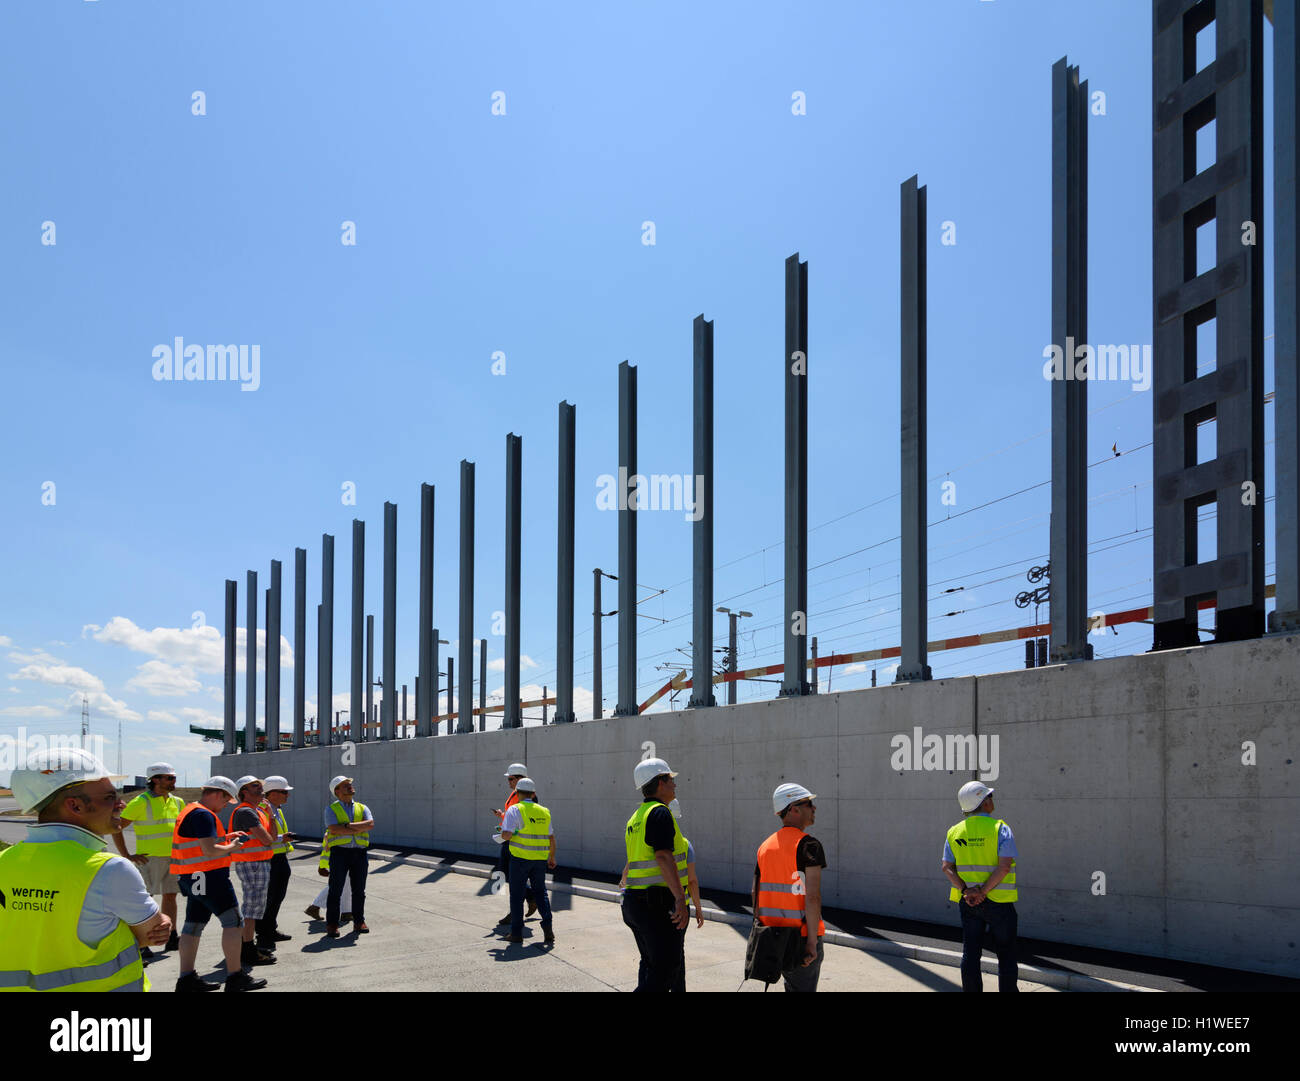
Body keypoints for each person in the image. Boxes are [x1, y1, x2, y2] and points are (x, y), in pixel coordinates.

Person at [1, 747, 170, 992]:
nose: (122, 805)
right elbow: (152, 935)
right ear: (75, 806)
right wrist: (158, 921)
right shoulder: (109, 870)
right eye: (110, 797)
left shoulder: (3, 861)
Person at [170, 776, 266, 991]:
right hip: (210, 875)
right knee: (233, 922)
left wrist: (226, 837)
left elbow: (201, 843)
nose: (225, 806)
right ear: (217, 793)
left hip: (192, 876)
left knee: (193, 924)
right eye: (225, 801)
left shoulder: (190, 810)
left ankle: (186, 979)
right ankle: (235, 976)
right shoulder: (204, 814)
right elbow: (210, 850)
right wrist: (232, 846)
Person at [941, 780, 1018, 992]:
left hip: (969, 903)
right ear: (983, 802)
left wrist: (967, 891)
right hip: (1000, 904)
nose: (992, 800)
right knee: (1006, 953)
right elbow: (1004, 868)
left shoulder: (954, 832)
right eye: (989, 796)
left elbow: (947, 867)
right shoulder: (1000, 829)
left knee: (971, 953)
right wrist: (983, 891)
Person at [619, 798, 702, 991]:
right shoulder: (683, 843)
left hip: (636, 904)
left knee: (649, 960)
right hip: (668, 907)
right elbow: (692, 881)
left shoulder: (636, 824)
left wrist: (624, 898)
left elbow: (626, 872)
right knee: (672, 961)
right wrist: (694, 905)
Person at [621, 757, 690, 992]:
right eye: (670, 779)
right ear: (660, 782)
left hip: (635, 903)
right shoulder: (660, 813)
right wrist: (680, 898)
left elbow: (632, 863)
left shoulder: (636, 817)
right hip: (655, 905)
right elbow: (663, 857)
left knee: (654, 967)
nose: (674, 784)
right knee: (665, 971)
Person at [754, 783, 827, 992]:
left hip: (773, 937)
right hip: (801, 937)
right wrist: (812, 942)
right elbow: (812, 897)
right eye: (809, 804)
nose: (814, 808)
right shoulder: (809, 846)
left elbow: (755, 893)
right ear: (794, 808)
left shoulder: (765, 846)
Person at [112, 761, 184, 955]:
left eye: (173, 777)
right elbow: (116, 827)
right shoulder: (140, 801)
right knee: (145, 900)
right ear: (155, 780)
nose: (173, 780)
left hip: (173, 858)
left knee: (170, 896)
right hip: (149, 860)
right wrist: (126, 855)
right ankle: (143, 942)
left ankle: (172, 935)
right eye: (169, 777)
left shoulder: (177, 802)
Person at [497, 777, 554, 945]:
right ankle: (548, 928)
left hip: (520, 859)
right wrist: (552, 856)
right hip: (539, 860)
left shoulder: (515, 809)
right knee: (541, 893)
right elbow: (551, 837)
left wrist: (501, 833)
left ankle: (516, 933)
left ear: (517, 793)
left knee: (516, 895)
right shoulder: (544, 811)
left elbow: (506, 834)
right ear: (533, 793)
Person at [229, 776, 277, 968]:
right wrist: (270, 821)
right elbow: (267, 840)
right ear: (243, 792)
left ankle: (248, 946)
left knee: (255, 907)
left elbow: (271, 837)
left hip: (257, 862)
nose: (260, 789)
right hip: (252, 863)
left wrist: (271, 816)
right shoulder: (246, 812)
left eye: (260, 786)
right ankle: (247, 950)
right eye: (255, 786)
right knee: (252, 908)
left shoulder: (257, 811)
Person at [324, 775, 373, 938]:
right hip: (340, 854)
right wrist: (358, 827)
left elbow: (370, 824)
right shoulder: (331, 809)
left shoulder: (362, 807)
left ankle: (359, 921)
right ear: (337, 791)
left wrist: (345, 826)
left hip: (360, 853)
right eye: (345, 785)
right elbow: (333, 829)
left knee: (359, 890)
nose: (350, 786)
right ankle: (332, 924)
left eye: (350, 784)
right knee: (335, 890)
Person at [255, 775, 296, 951]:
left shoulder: (276, 809)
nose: (287, 795)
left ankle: (270, 929)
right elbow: (262, 836)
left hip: (279, 857)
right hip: (269, 858)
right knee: (269, 898)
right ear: (272, 793)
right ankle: (263, 933)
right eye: (284, 792)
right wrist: (282, 838)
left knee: (277, 896)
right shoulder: (264, 810)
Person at [492, 762, 535, 926]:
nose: (508, 782)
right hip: (508, 839)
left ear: (520, 779)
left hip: (516, 842)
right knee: (505, 874)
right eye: (508, 779)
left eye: (511, 779)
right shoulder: (513, 795)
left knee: (512, 876)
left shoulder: (526, 797)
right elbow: (513, 818)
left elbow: (524, 820)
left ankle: (518, 909)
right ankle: (529, 898)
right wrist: (502, 815)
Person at [305, 832, 354, 923]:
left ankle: (346, 912)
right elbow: (327, 848)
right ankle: (345, 913)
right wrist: (322, 865)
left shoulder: (333, 829)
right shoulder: (334, 829)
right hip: (339, 860)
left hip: (341, 860)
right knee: (340, 885)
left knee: (344, 885)